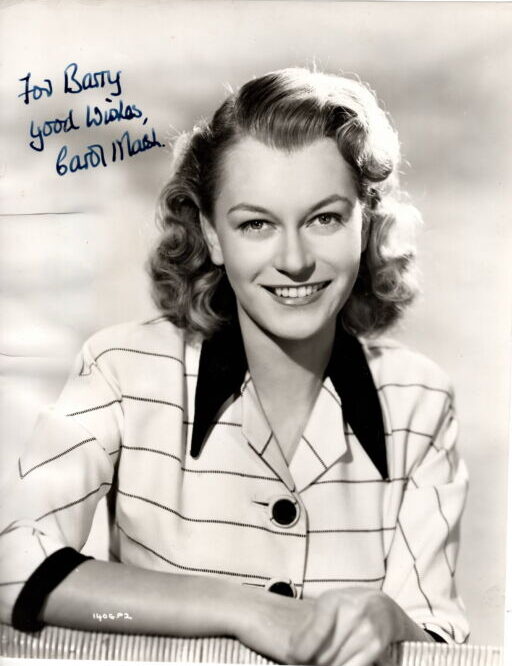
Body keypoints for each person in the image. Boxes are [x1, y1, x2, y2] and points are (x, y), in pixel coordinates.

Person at [0, 68, 469, 666]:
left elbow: (441, 645)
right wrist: (245, 610)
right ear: (213, 235)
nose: (294, 260)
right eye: (255, 224)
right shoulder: (122, 370)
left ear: (366, 221)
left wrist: (391, 621)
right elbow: (13, 566)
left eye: (325, 218)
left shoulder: (419, 400)